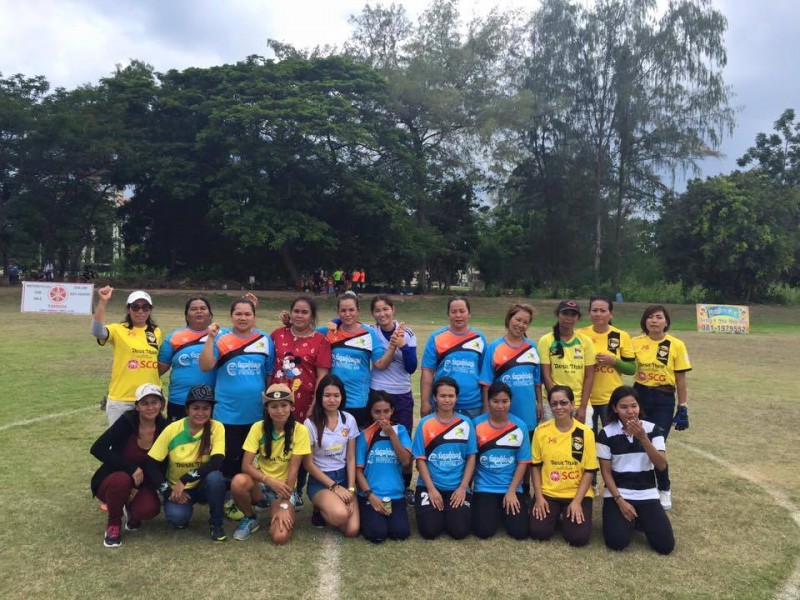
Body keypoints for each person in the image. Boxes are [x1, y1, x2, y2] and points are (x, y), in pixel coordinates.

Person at [199, 297, 274, 489]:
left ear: (254, 317)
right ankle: (227, 495)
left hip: (255, 413)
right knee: (227, 458)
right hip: (227, 412)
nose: (243, 318)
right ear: (231, 317)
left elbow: (268, 375)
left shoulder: (264, 340)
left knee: (248, 459)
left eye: (247, 314)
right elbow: (205, 365)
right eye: (238, 314)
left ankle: (246, 493)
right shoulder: (221, 337)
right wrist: (210, 338)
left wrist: (267, 406)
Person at [597, 386, 675, 554]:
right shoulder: (606, 434)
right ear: (614, 409)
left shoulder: (653, 430)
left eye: (634, 406)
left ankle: (640, 519)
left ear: (639, 406)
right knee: (616, 542)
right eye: (624, 407)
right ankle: (632, 519)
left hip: (646, 493)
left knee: (665, 546)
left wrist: (643, 438)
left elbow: (661, 465)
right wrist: (620, 501)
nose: (630, 411)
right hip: (618, 494)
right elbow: (606, 473)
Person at [230, 384, 311, 544]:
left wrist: (284, 504)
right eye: (274, 406)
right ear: (267, 408)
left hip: (284, 489)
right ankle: (250, 517)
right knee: (238, 482)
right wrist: (269, 480)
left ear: (291, 407)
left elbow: (294, 471)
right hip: (262, 484)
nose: (279, 410)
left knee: (280, 537)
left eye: (284, 405)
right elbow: (246, 466)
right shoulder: (258, 428)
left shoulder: (300, 430)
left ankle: (276, 508)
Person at [90, 383, 169, 548]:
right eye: (145, 403)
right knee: (122, 480)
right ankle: (113, 525)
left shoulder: (165, 428)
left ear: (161, 404)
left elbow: (161, 464)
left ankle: (132, 512)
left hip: (144, 482)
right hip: (114, 478)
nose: (150, 407)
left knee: (148, 509)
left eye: (155, 402)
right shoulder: (126, 422)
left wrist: (140, 486)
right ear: (137, 406)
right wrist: (131, 468)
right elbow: (97, 448)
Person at [145, 384, 227, 542]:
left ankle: (216, 523)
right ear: (187, 409)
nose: (201, 413)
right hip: (179, 489)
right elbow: (150, 463)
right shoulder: (172, 429)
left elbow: (217, 461)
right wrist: (167, 491)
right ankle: (181, 509)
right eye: (196, 408)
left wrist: (186, 478)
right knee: (177, 519)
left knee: (215, 478)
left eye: (206, 408)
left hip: (201, 484)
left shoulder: (217, 427)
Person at [632, 305, 692, 510]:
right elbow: (625, 364)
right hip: (640, 396)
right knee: (636, 443)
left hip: (664, 398)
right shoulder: (635, 342)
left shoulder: (676, 345)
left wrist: (682, 406)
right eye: (650, 317)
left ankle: (664, 488)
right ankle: (641, 487)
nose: (654, 321)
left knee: (657, 444)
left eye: (658, 317)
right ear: (644, 322)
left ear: (666, 321)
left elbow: (680, 379)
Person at [530, 385, 598, 547]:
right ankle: (556, 515)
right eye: (554, 404)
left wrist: (576, 502)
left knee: (578, 538)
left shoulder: (585, 433)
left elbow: (589, 471)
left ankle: (566, 515)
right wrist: (539, 497)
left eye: (563, 403)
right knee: (538, 533)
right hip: (549, 492)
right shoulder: (541, 431)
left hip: (576, 494)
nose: (559, 407)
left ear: (572, 404)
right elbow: (535, 467)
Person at [412, 377, 476, 540]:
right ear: (435, 397)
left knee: (459, 531)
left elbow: (471, 458)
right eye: (442, 396)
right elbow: (420, 460)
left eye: (451, 396)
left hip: (457, 487)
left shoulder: (466, 423)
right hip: (430, 486)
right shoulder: (426, 424)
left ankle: (452, 510)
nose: (447, 400)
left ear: (457, 397)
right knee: (429, 531)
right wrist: (432, 490)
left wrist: (463, 488)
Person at [368, 294, 418, 500]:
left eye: (385, 309)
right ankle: (372, 482)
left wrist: (403, 346)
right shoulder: (371, 332)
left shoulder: (407, 332)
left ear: (393, 309)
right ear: (373, 314)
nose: (382, 314)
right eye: (377, 310)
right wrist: (334, 323)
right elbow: (343, 320)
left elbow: (412, 367)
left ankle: (405, 487)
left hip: (402, 394)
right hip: (378, 392)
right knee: (375, 440)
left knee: (403, 442)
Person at [91, 286, 163, 425]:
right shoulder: (118, 329)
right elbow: (97, 331)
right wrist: (103, 302)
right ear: (128, 309)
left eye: (145, 307)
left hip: (150, 399)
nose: (140, 311)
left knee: (148, 443)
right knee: (119, 443)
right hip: (122, 398)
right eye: (135, 307)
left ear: (150, 309)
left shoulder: (156, 332)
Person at [319, 293, 391, 428]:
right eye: (343, 310)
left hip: (358, 401)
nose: (347, 314)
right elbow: (307, 333)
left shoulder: (368, 333)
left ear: (358, 311)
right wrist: (289, 323)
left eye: (351, 310)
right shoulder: (329, 331)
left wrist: (392, 346)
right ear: (338, 312)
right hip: (333, 399)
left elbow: (381, 364)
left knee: (356, 444)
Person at [471, 382, 531, 540]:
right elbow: (471, 459)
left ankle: (505, 508)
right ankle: (491, 509)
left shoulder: (520, 426)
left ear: (510, 402)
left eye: (505, 401)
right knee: (483, 531)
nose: (500, 406)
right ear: (489, 401)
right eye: (495, 401)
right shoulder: (476, 424)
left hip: (511, 487)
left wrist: (512, 491)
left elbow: (523, 462)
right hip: (485, 486)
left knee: (519, 532)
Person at [302, 375, 360, 535]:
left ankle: (335, 504)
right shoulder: (310, 423)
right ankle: (319, 508)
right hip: (321, 481)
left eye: (336, 395)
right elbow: (308, 464)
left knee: (352, 530)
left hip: (343, 477)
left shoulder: (349, 419)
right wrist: (334, 487)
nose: (332, 400)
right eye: (327, 395)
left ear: (342, 397)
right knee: (341, 515)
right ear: (320, 397)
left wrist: (351, 488)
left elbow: (351, 458)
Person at [356, 391, 413, 544]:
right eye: (377, 412)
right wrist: (370, 496)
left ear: (392, 411)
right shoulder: (365, 435)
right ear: (371, 412)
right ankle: (365, 513)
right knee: (377, 534)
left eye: (386, 411)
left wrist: (392, 435)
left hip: (395, 495)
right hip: (372, 495)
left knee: (400, 533)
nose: (382, 416)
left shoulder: (400, 431)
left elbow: (406, 461)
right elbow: (358, 471)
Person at [421, 296, 488, 420]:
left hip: (472, 406)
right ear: (448, 314)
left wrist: (486, 405)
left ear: (469, 314)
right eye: (454, 312)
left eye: (462, 311)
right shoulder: (436, 337)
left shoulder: (479, 338)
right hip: (442, 405)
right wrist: (425, 401)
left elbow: (486, 375)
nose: (458, 315)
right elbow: (427, 371)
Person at [578, 295, 636, 434]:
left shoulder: (621, 335)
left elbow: (631, 369)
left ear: (611, 314)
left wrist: (614, 361)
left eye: (602, 311)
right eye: (595, 310)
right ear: (589, 313)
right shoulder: (580, 335)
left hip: (610, 398)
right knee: (586, 438)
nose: (598, 314)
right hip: (585, 398)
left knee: (612, 438)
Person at [272, 295, 332, 423]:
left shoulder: (320, 341)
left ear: (312, 316)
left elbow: (322, 377)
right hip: (276, 400)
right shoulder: (277, 335)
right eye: (296, 311)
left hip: (305, 402)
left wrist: (315, 405)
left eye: (304, 312)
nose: (299, 315)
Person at [537, 300, 595, 425]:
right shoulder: (546, 340)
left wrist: (583, 407)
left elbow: (589, 376)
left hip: (579, 403)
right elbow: (546, 375)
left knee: (580, 442)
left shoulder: (585, 341)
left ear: (578, 318)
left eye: (573, 315)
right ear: (558, 314)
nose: (569, 318)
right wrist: (557, 402)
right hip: (553, 403)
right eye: (565, 313)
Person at [158, 297, 216, 421]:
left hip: (212, 402)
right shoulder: (173, 338)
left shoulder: (222, 336)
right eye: (194, 309)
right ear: (187, 315)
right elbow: (159, 369)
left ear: (210, 314)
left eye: (203, 308)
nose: (199, 311)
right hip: (180, 401)